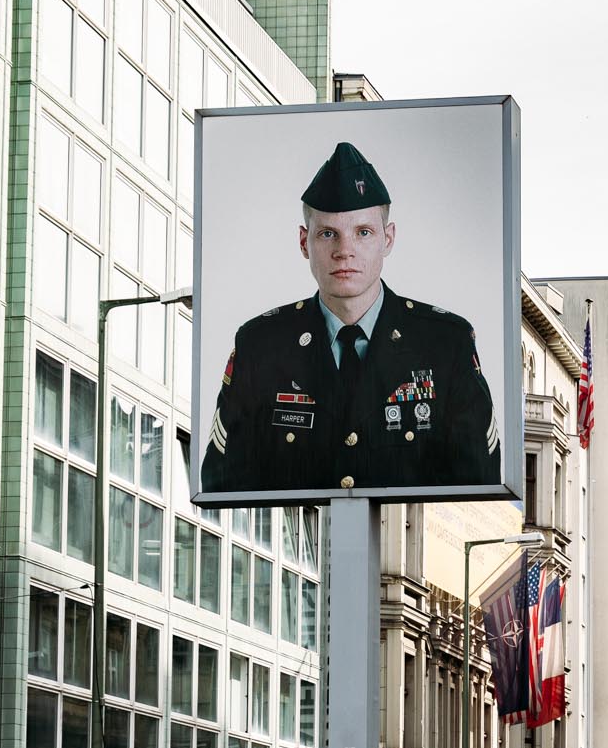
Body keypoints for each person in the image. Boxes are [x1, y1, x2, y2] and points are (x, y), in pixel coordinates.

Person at [201, 140, 499, 494]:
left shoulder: (445, 343)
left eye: (363, 232)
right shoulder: (262, 345)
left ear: (387, 239)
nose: (345, 251)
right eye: (328, 234)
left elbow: (478, 485)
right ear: (303, 242)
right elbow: (223, 484)